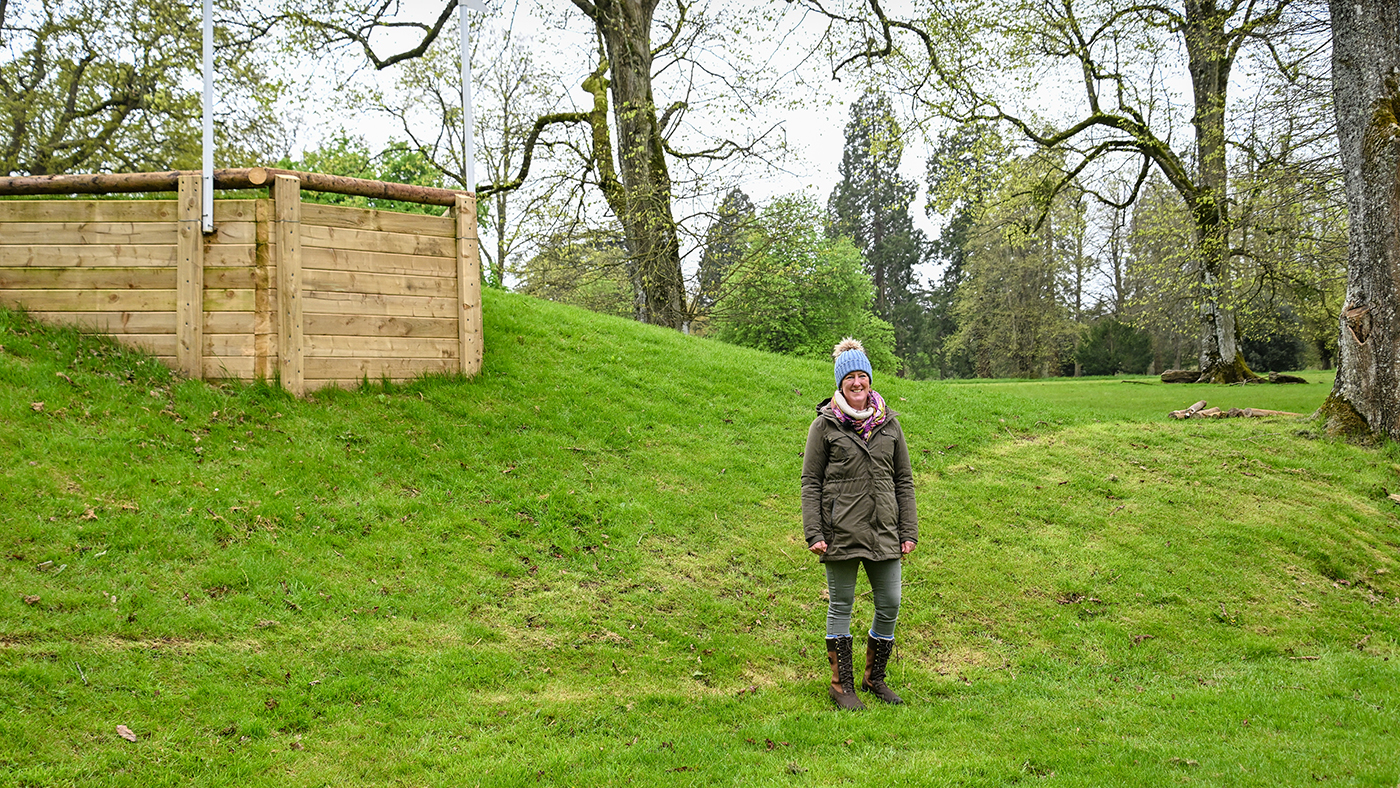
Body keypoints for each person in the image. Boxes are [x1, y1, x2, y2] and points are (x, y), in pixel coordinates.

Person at [801, 338, 917, 710]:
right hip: (841, 531)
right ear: (840, 383)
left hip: (885, 529)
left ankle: (874, 678)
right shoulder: (824, 426)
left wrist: (909, 530)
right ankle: (841, 685)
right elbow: (810, 482)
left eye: (861, 376)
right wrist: (815, 532)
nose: (856, 383)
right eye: (849, 377)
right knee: (842, 604)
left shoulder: (891, 425)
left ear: (870, 379)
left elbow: (904, 481)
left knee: (890, 602)